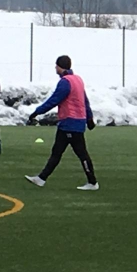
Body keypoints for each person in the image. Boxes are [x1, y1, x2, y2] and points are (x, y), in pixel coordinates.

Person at [25, 55, 99, 191]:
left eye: (56, 66)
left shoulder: (65, 82)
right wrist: (89, 118)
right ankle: (41, 178)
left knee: (79, 153)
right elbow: (85, 101)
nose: (55, 68)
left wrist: (37, 112)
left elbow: (54, 100)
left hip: (70, 122)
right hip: (76, 121)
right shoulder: (78, 79)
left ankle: (93, 182)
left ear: (60, 67)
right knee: (57, 152)